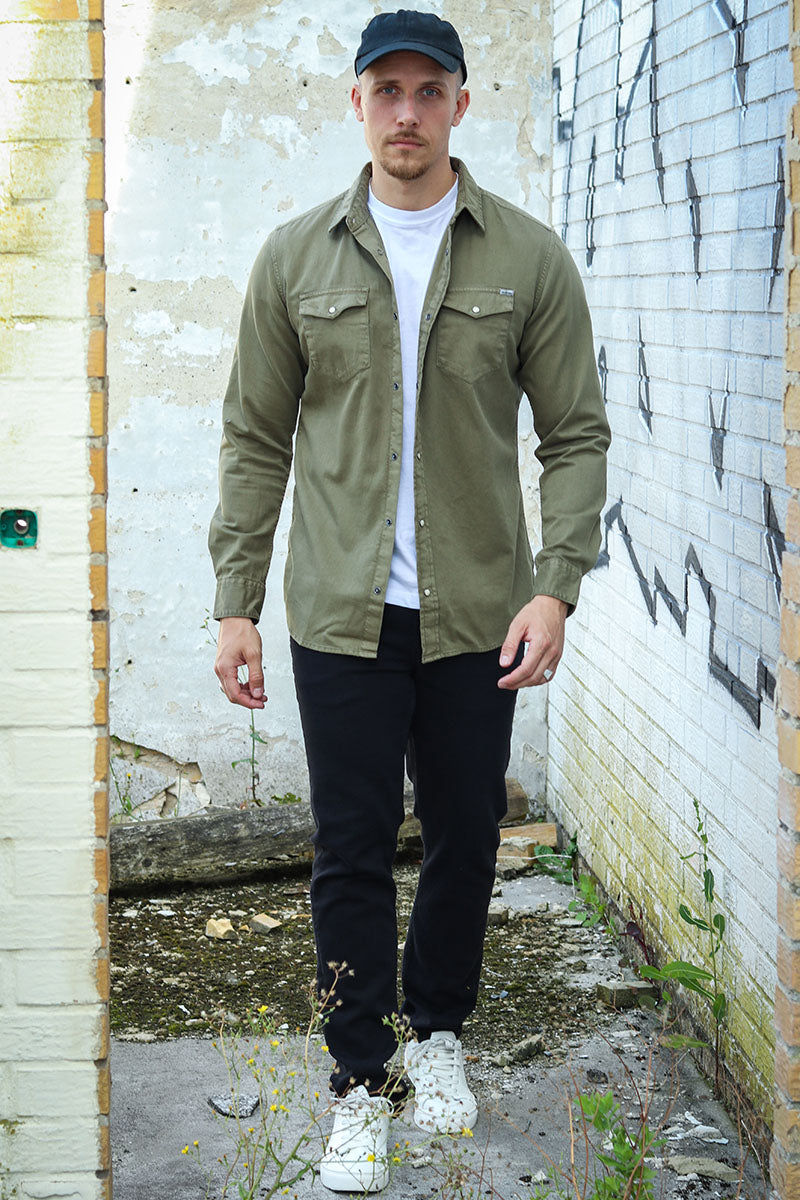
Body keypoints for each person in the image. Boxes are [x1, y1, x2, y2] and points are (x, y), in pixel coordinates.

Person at [209, 9, 610, 1193]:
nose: (405, 112)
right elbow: (252, 438)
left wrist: (555, 588)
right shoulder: (294, 258)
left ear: (459, 105)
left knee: (463, 835)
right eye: (384, 90)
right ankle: (356, 1081)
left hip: (479, 610)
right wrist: (235, 601)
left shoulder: (527, 258)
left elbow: (574, 436)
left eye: (427, 91)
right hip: (339, 611)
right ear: (355, 103)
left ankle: (436, 1036)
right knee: (346, 847)